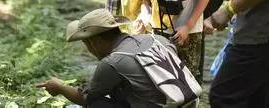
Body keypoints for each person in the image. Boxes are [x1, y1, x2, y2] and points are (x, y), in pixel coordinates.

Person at [36, 9, 192, 107]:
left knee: (97, 103)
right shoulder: (158, 39)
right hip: (187, 103)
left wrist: (60, 87)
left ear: (94, 41)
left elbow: (86, 99)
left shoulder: (113, 62)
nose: (88, 49)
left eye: (86, 43)